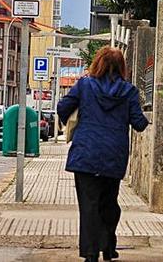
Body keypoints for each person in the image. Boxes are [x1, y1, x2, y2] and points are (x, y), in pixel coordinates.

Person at [57, 47, 149, 262]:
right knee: (109, 202)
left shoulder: (84, 85)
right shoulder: (129, 91)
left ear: (97, 63)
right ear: (121, 67)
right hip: (113, 155)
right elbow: (138, 123)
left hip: (86, 153)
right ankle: (108, 247)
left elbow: (63, 107)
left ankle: (90, 253)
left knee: (89, 204)